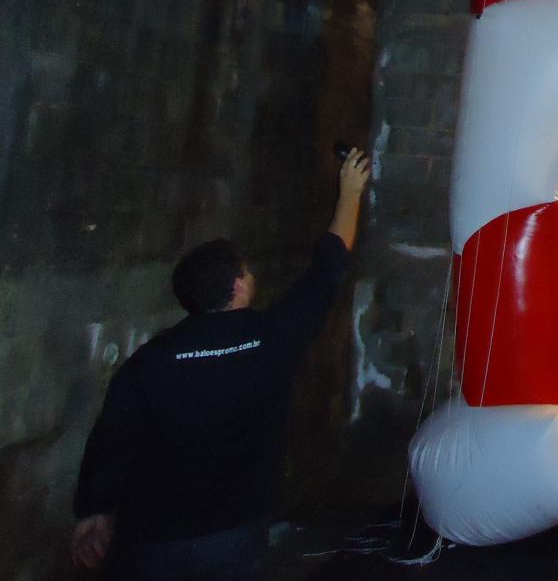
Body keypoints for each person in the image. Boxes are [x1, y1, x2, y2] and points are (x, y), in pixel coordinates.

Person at [71, 148, 372, 579]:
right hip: (233, 534)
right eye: (246, 272)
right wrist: (350, 192)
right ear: (237, 286)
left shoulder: (150, 362)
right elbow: (328, 269)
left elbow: (111, 443)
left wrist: (93, 510)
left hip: (149, 534)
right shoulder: (271, 340)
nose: (251, 277)